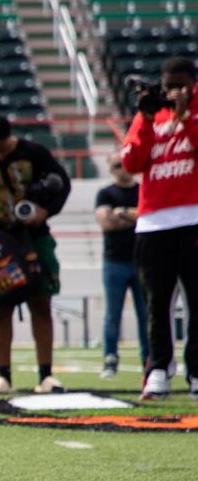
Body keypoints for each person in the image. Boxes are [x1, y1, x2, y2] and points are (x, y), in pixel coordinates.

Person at [0, 115, 71, 395]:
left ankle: (47, 375)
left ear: (10, 137)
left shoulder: (34, 152)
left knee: (41, 303)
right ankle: (3, 376)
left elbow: (63, 184)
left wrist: (46, 211)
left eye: (0, 148)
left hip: (36, 236)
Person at [121, 56, 198, 400]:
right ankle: (158, 369)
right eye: (169, 87)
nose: (174, 92)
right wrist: (149, 120)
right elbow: (131, 163)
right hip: (153, 221)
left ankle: (196, 370)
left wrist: (185, 118)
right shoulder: (150, 114)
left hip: (193, 215)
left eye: (181, 85)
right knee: (157, 301)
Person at [94, 151, 148, 379]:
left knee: (146, 314)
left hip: (143, 260)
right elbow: (106, 222)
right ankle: (110, 360)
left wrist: (123, 213)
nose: (121, 168)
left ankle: (149, 360)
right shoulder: (105, 193)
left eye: (124, 163)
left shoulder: (142, 190)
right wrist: (135, 217)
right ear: (109, 168)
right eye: (116, 164)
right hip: (114, 261)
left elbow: (148, 216)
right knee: (112, 315)